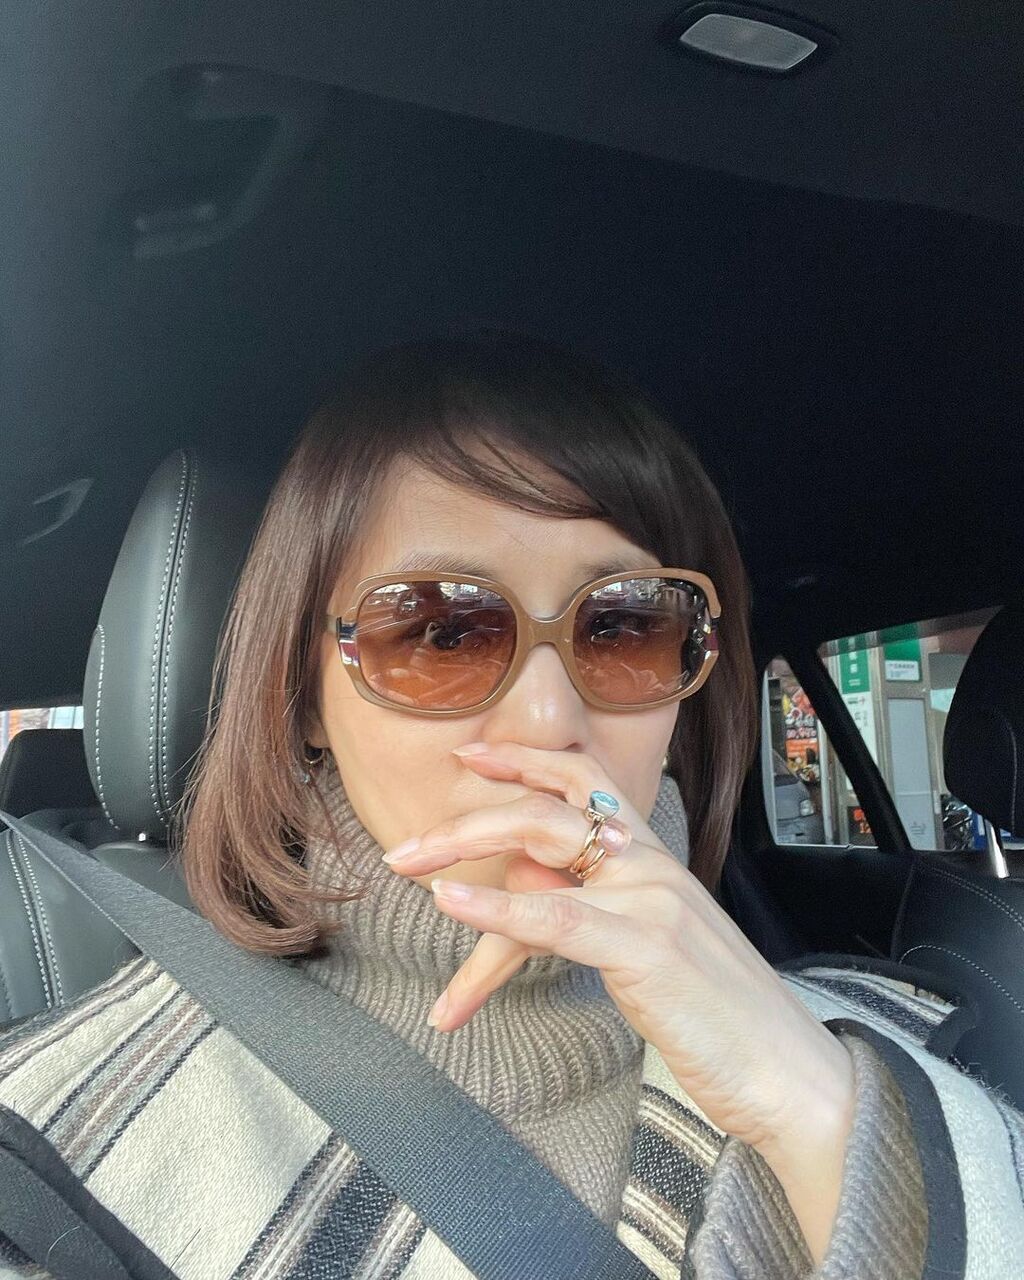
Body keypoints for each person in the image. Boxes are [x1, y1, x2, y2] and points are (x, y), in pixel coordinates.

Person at [0, 330, 1017, 1279]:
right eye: (439, 633)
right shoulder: (59, 1155)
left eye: (623, 627)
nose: (547, 717)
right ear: (304, 696)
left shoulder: (916, 1041)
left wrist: (830, 1120)